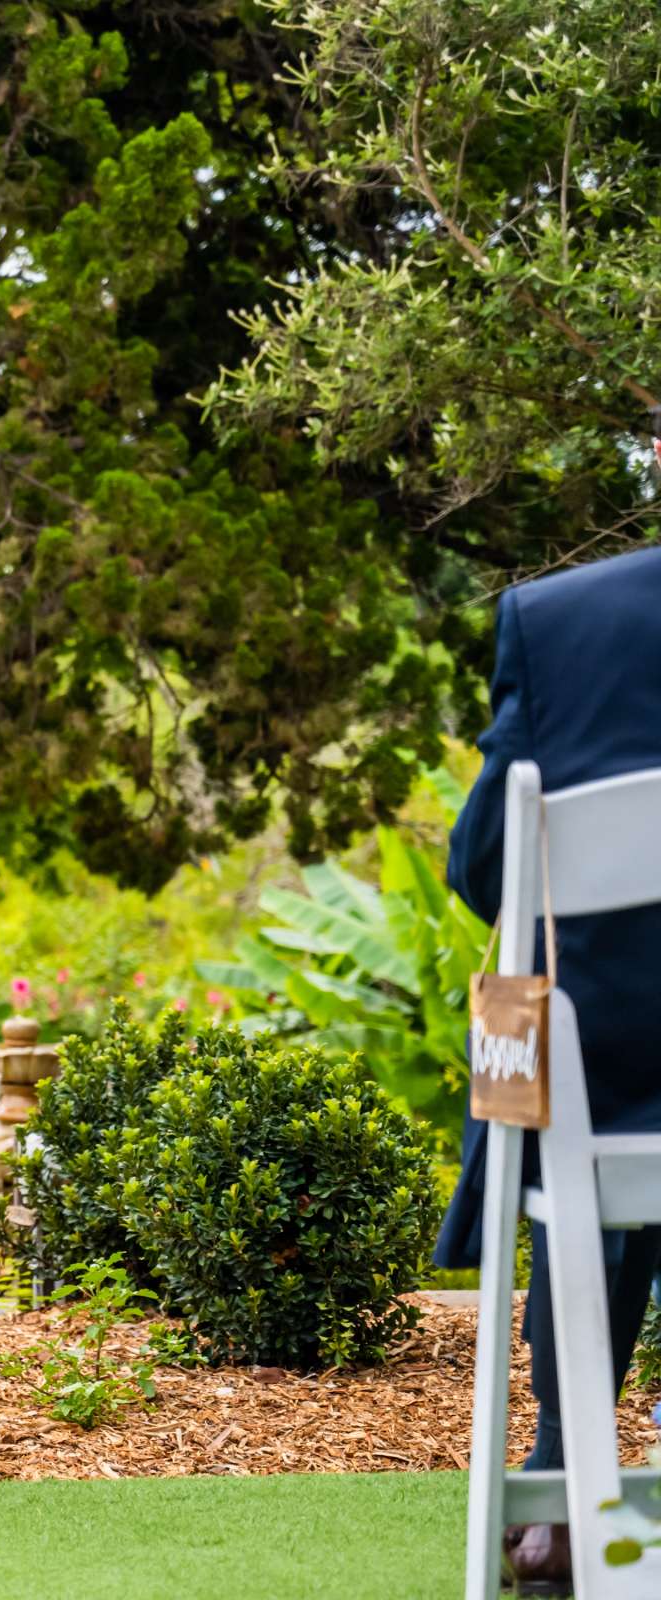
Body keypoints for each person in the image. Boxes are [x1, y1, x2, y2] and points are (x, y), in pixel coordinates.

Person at [435, 544, 661, 1595]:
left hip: (603, 1090)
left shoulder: (560, 621)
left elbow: (490, 865)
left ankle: (564, 1468)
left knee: (570, 1067)